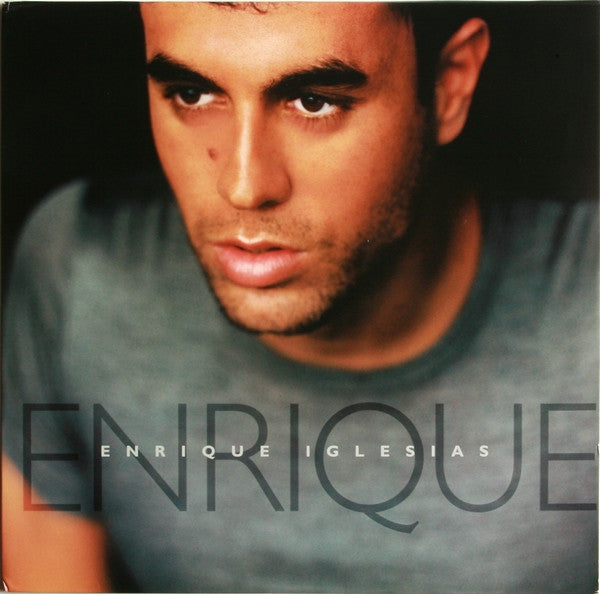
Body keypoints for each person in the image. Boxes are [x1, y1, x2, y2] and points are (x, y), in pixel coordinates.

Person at [2, 3, 597, 592]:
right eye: (192, 94)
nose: (244, 187)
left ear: (450, 85)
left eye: (314, 102)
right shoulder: (79, 273)